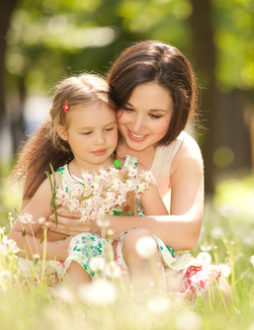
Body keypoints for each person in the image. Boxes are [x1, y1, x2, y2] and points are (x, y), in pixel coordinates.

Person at [43, 41, 230, 299]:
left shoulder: (180, 150)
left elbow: (187, 234)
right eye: (128, 109)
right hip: (90, 267)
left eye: (155, 115)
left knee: (215, 289)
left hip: (149, 261)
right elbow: (37, 227)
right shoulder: (88, 136)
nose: (138, 126)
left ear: (177, 113)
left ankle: (151, 311)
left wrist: (103, 224)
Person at [10, 73, 166, 285]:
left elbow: (166, 231)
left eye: (108, 129)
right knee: (84, 244)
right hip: (72, 271)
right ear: (64, 132)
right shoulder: (59, 183)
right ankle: (75, 308)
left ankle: (144, 306)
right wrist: (63, 249)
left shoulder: (133, 174)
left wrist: (129, 214)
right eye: (87, 132)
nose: (100, 140)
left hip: (128, 270)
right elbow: (16, 238)